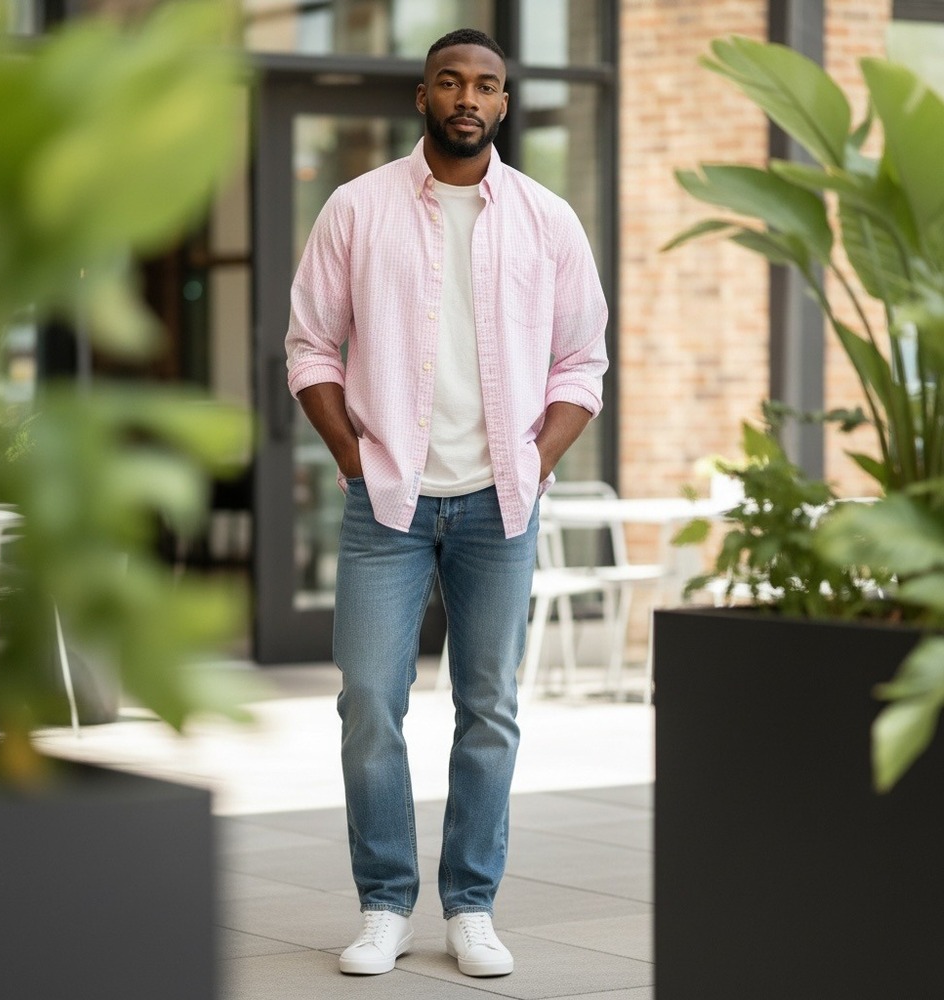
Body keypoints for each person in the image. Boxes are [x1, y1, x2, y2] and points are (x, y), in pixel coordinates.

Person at [285, 27, 608, 978]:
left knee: (491, 707)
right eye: (450, 81)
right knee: (372, 704)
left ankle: (471, 904)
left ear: (505, 104)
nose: (468, 96)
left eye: (487, 84)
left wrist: (537, 457)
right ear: (422, 97)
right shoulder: (356, 208)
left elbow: (582, 360)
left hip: (499, 505)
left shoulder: (549, 220)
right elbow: (311, 346)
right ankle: (385, 902)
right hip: (384, 501)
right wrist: (351, 453)